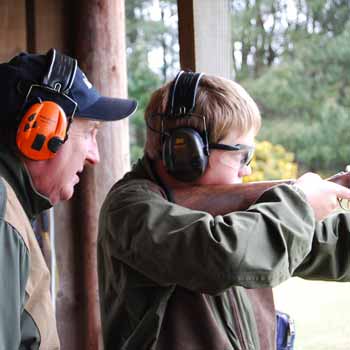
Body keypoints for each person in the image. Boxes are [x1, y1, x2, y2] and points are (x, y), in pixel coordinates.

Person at [97, 71, 350, 350]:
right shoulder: (129, 208)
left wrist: (320, 202)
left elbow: (327, 243)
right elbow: (225, 255)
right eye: (242, 155)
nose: (248, 168)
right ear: (188, 152)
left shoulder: (243, 209)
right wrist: (301, 203)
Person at [0, 48, 137, 349]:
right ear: (41, 128)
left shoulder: (14, 206)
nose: (95, 156)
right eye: (89, 133)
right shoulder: (1, 211)